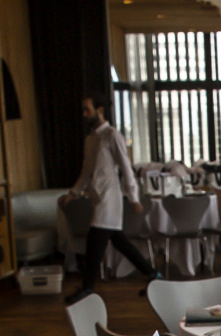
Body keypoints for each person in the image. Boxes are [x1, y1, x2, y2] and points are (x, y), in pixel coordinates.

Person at [60, 94, 157, 301]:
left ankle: (88, 288)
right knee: (120, 242)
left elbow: (126, 167)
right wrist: (72, 193)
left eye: (87, 109)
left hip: (110, 199)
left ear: (100, 110)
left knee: (94, 242)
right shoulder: (90, 139)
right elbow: (86, 172)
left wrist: (134, 198)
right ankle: (153, 275)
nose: (84, 114)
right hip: (97, 198)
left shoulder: (112, 135)